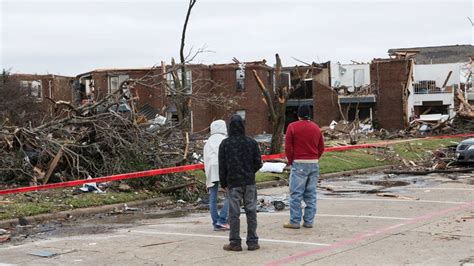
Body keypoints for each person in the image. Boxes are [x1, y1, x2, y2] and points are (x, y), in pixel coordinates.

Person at [219, 115, 263, 251]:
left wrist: (223, 183)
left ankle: (235, 242)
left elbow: (222, 165)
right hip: (249, 181)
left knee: (234, 213)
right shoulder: (251, 142)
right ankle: (252, 241)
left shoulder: (225, 144)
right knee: (251, 211)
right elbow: (258, 163)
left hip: (233, 182)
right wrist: (250, 171)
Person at [283, 105, 325, 229]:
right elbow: (321, 147)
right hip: (313, 163)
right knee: (311, 194)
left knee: (296, 194)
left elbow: (288, 147)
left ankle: (294, 221)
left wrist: (290, 161)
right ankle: (308, 221)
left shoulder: (292, 127)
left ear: (298, 115)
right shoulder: (316, 128)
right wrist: (315, 158)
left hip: (299, 162)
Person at [204, 120, 230, 231]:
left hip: (211, 168)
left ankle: (215, 222)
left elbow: (206, 158)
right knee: (231, 194)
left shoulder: (208, 141)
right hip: (223, 167)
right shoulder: (225, 140)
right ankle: (223, 220)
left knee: (213, 196)